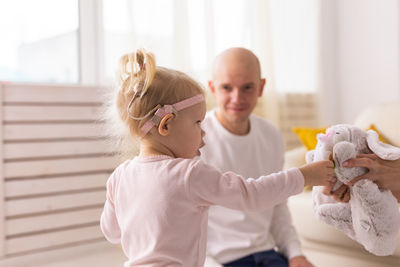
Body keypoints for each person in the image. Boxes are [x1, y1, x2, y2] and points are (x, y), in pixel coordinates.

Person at [100, 48, 334, 267]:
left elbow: (112, 232)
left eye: (247, 87)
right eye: (197, 123)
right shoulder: (189, 173)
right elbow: (251, 195)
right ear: (166, 124)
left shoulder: (119, 176)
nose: (203, 134)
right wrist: (304, 176)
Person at [200, 47, 315, 267]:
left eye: (247, 88)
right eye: (227, 88)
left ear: (261, 87)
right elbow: (182, 220)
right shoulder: (195, 138)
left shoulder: (271, 135)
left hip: (266, 254)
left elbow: (279, 205)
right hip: (218, 261)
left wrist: (295, 254)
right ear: (213, 89)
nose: (237, 98)